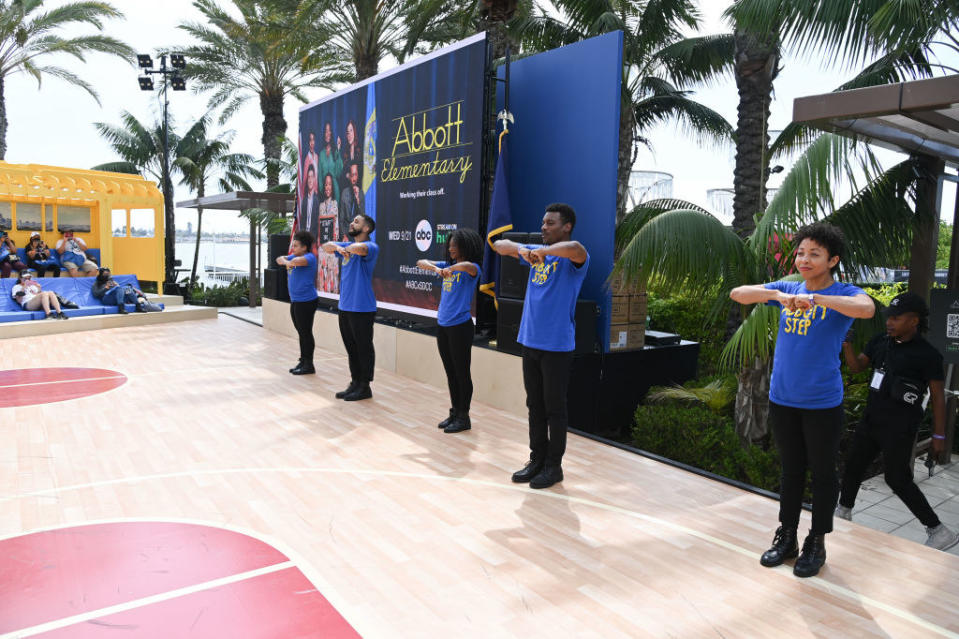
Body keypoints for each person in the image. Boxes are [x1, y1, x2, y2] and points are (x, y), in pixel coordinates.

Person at [729, 222, 875, 578]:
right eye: (800, 252)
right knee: (791, 470)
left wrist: (816, 299)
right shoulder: (787, 287)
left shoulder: (842, 293)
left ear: (832, 260)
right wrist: (777, 296)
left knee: (823, 474)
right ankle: (788, 536)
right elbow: (738, 293)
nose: (804, 259)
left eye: (814, 254)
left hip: (822, 402)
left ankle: (817, 540)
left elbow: (866, 308)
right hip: (783, 398)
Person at [837, 292, 959, 551]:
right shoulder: (880, 341)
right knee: (853, 465)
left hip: (900, 427)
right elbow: (858, 366)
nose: (889, 322)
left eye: (896, 318)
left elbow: (938, 397)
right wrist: (847, 347)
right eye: (888, 317)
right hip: (872, 420)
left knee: (897, 478)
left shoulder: (928, 355)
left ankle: (938, 530)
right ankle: (844, 512)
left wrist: (939, 436)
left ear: (914, 321)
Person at [493, 203, 589, 489]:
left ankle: (553, 466)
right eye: (543, 222)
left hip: (557, 345)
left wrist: (542, 252)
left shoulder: (573, 258)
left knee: (554, 408)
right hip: (530, 340)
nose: (544, 227)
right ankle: (536, 459)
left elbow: (575, 249)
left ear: (566, 225)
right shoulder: (536, 253)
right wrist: (524, 251)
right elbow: (500, 244)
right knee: (534, 405)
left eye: (550, 223)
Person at [416, 228, 483, 434]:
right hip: (443, 326)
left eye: (455, 245)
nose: (451, 248)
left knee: (462, 373)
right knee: (450, 372)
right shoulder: (447, 266)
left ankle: (464, 416)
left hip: (460, 327)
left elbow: (467, 266)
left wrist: (451, 269)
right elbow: (421, 262)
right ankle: (455, 412)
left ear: (466, 247)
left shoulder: (472, 269)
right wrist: (438, 270)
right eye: (450, 245)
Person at [322, 214, 378, 401]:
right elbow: (326, 246)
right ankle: (354, 382)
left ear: (366, 228)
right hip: (345, 306)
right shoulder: (345, 247)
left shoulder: (371, 246)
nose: (352, 223)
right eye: (353, 221)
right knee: (351, 347)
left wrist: (344, 248)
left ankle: (365, 386)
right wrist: (339, 247)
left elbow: (359, 248)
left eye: (357, 222)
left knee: (363, 347)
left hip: (362, 307)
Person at [277, 230, 319, 375]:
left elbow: (295, 262)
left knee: (306, 332)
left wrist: (287, 261)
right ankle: (303, 360)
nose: (293, 248)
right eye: (293, 245)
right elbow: (279, 259)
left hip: (306, 301)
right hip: (295, 300)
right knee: (301, 332)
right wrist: (286, 260)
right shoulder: (295, 256)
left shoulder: (309, 257)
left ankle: (309, 364)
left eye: (296, 246)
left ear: (304, 247)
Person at [317, 173, 340, 294]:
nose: (327, 187)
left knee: (332, 272)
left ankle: (333, 297)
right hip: (322, 246)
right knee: (322, 272)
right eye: (326, 184)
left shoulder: (336, 204)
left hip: (333, 246)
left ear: (333, 186)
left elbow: (337, 227)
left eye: (330, 184)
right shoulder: (320, 206)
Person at [338, 162, 364, 241]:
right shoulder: (344, 193)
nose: (354, 178)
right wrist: (344, 235)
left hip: (357, 234)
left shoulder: (361, 194)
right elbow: (341, 219)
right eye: (352, 175)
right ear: (349, 176)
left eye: (355, 175)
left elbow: (363, 218)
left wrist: (358, 201)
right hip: (346, 234)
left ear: (358, 176)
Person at [318, 122, 343, 203]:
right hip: (324, 192)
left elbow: (338, 172)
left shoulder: (335, 151)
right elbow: (319, 175)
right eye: (326, 131)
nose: (327, 133)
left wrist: (338, 150)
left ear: (331, 133)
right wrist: (323, 192)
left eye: (329, 131)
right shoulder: (321, 154)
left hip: (335, 190)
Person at [340, 119, 362, 193]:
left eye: (351, 131)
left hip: (359, 187)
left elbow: (362, 171)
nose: (349, 135)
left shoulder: (360, 149)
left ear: (355, 132)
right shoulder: (345, 151)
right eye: (347, 132)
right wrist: (348, 175)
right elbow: (342, 173)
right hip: (347, 188)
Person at [300, 165, 320, 234]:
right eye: (308, 177)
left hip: (313, 236)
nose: (310, 180)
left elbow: (318, 223)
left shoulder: (317, 199)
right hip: (304, 235)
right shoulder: (304, 200)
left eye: (312, 177)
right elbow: (302, 220)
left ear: (314, 179)